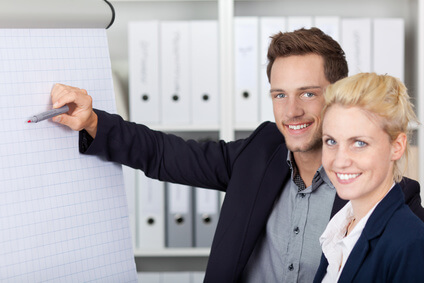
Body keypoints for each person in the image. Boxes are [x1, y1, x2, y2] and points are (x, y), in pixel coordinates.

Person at [50, 28, 424, 282]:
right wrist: (94, 121)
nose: (291, 110)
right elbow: (165, 154)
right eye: (280, 95)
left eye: (308, 93)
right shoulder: (260, 152)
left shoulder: (390, 203)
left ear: (339, 95)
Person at [314, 72, 424, 282]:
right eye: (331, 141)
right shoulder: (338, 230)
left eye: (359, 143)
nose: (339, 161)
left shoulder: (410, 243)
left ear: (397, 147)